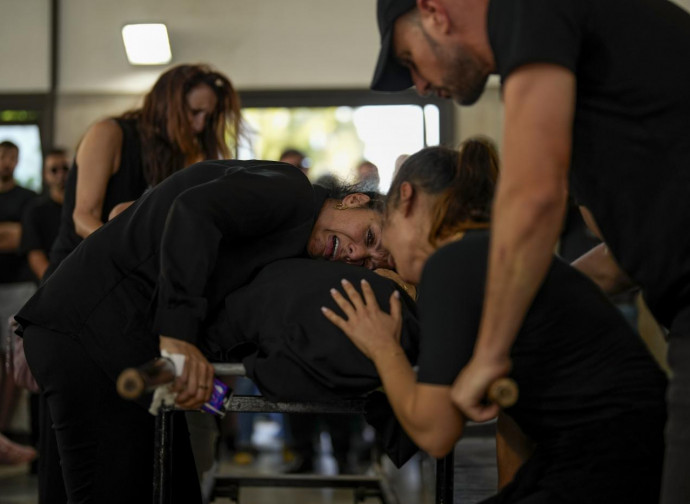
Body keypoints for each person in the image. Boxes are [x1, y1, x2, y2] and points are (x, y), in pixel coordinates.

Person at [368, 2, 690, 501]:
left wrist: (489, 355)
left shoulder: (531, 8)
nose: (422, 85)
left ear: (434, 11)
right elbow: (625, 252)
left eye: (410, 60)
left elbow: (535, 195)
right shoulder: (581, 81)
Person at [16, 159, 392, 503]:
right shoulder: (291, 189)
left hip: (119, 342)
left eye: (372, 264)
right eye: (370, 238)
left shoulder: (293, 240)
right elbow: (194, 210)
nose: (359, 256)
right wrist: (177, 336)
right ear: (354, 199)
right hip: (88, 331)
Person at [322, 141, 667, 503]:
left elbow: (436, 433)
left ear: (405, 198)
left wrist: (382, 347)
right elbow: (513, 420)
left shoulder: (452, 262)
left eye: (382, 235)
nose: (381, 259)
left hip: (614, 454)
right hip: (613, 442)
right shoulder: (487, 251)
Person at [35, 63, 244, 503]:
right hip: (78, 293)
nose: (200, 124)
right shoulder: (111, 133)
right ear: (167, 102)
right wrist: (144, 252)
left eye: (209, 116)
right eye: (193, 112)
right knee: (86, 440)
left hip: (133, 302)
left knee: (145, 433)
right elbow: (83, 216)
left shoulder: (186, 154)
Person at [0, 140, 38, 453]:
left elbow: (22, 238)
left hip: (19, 287)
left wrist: (14, 235)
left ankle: (5, 430)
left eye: (12, 156)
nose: (6, 162)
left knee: (15, 361)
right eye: (2, 156)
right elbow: (10, 235)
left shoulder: (28, 199)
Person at [21, 148, 70, 282]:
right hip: (51, 284)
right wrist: (54, 284)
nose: (61, 175)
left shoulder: (84, 208)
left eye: (65, 169)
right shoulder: (35, 210)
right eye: (54, 170)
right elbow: (35, 254)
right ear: (45, 175)